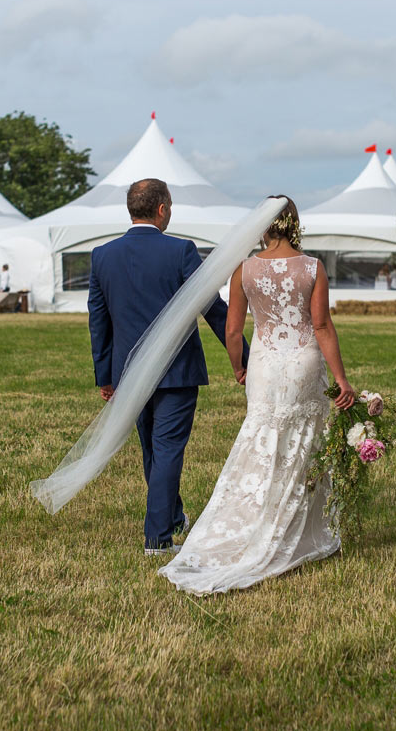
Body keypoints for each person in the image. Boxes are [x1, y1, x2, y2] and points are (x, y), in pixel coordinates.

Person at [159, 196, 356, 595]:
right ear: (295, 224)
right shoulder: (313, 267)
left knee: (260, 439)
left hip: (264, 364)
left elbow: (233, 331)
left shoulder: (245, 269)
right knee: (304, 443)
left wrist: (238, 366)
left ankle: (250, 520)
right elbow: (321, 326)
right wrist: (342, 380)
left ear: (262, 226)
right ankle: (303, 531)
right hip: (302, 362)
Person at [87, 178, 249, 555]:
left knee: (153, 451)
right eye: (171, 207)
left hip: (127, 372)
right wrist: (243, 357)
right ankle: (158, 539)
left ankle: (173, 516)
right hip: (177, 371)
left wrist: (105, 375)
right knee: (167, 451)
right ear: (162, 209)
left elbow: (99, 320)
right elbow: (212, 307)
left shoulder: (102, 255)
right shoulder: (181, 251)